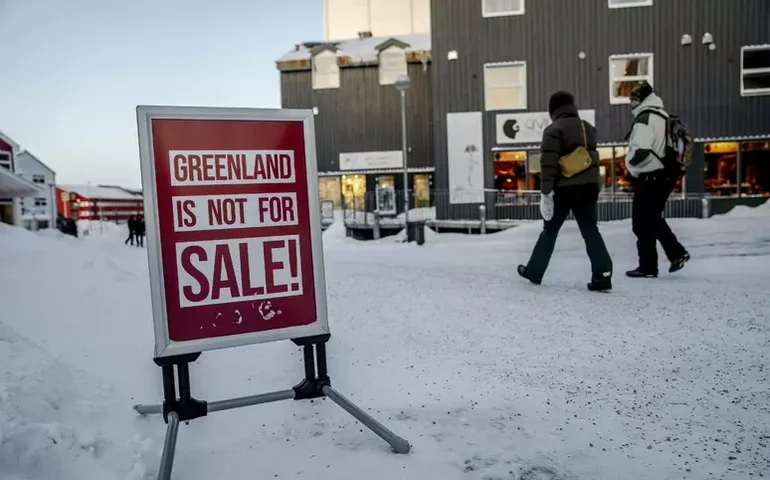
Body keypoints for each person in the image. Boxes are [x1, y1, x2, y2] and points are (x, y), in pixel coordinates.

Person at [518, 91, 613, 292]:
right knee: (590, 230)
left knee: (550, 231)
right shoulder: (587, 128)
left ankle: (534, 271)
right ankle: (603, 274)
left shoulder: (554, 130)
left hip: (564, 188)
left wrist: (546, 193)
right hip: (588, 187)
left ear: (553, 110)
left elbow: (548, 165)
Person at [624, 82, 689, 278]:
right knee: (651, 219)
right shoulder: (662, 115)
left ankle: (651, 265)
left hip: (651, 176)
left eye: (634, 99)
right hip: (664, 175)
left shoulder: (645, 118)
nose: (631, 104)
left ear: (643, 99)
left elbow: (641, 150)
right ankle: (670, 256)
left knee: (641, 222)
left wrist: (630, 166)